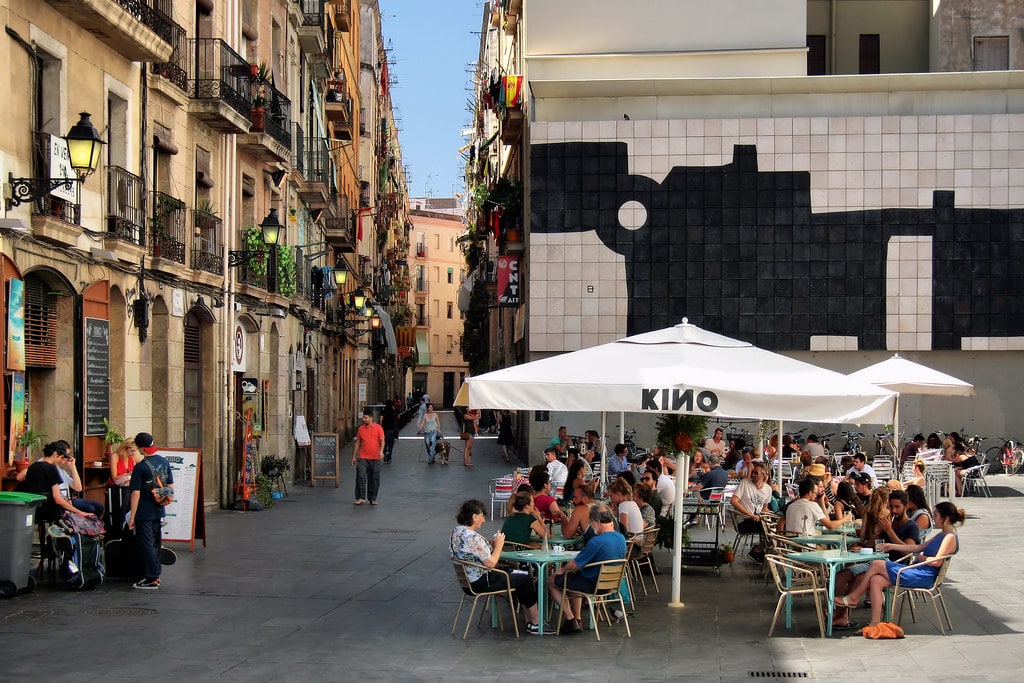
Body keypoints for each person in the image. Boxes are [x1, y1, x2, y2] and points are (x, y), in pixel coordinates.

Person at [835, 501, 963, 633]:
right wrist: (892, 546)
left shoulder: (950, 537)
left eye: (936, 515)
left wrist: (922, 558)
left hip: (924, 576)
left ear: (946, 518)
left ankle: (853, 597)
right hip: (918, 571)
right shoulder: (941, 534)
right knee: (875, 580)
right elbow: (917, 547)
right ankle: (874, 623)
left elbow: (936, 562)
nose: (933, 518)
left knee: (876, 564)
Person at [450, 499, 543, 635]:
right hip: (482, 581)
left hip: (468, 581)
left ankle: (530, 620)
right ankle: (536, 622)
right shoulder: (472, 537)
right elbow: (491, 563)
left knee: (517, 575)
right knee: (525, 578)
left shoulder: (456, 532)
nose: (484, 520)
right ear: (474, 516)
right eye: (482, 516)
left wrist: (491, 547)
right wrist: (499, 545)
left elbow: (475, 553)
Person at [832, 489, 921, 629]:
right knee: (842, 575)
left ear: (906, 506)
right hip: (875, 561)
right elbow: (869, 546)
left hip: (894, 566)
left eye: (897, 507)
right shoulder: (888, 522)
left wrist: (890, 532)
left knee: (860, 578)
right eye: (891, 506)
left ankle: (841, 615)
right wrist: (876, 534)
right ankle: (840, 616)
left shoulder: (911, 527)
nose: (893, 510)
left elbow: (907, 551)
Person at [548, 504, 627, 635]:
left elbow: (574, 564)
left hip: (593, 584)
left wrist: (561, 570)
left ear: (598, 522)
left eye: (591, 523)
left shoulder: (596, 541)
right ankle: (577, 619)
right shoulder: (621, 538)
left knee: (551, 581)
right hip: (612, 584)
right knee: (573, 579)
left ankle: (570, 619)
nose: (591, 526)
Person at [128, 432, 173, 590]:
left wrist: (132, 517)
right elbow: (171, 486)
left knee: (146, 543)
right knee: (155, 542)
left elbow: (135, 493)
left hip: (144, 511)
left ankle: (151, 577)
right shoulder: (164, 462)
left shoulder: (140, 467)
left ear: (141, 448)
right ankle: (155, 574)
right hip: (158, 509)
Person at [16, 441, 96, 524]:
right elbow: (57, 499)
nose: (63, 461)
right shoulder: (51, 469)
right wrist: (80, 512)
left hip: (32, 509)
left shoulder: (33, 466)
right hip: (48, 511)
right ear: (55, 454)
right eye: (61, 458)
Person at [729, 461, 774, 564]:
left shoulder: (768, 489)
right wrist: (750, 514)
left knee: (776, 528)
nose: (752, 474)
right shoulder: (745, 483)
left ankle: (759, 549)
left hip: (758, 521)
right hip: (744, 521)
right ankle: (758, 551)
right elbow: (733, 501)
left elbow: (764, 508)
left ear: (763, 475)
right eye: (753, 472)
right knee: (770, 530)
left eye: (755, 473)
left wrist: (772, 515)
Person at [782, 477, 852, 536]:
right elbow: (830, 526)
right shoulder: (812, 505)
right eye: (815, 493)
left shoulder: (790, 506)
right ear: (810, 493)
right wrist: (845, 519)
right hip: (806, 545)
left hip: (790, 544)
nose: (816, 495)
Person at [352, 410, 385, 505]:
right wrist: (354, 456)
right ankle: (360, 497)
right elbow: (358, 442)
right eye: (363, 417)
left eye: (365, 417)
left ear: (371, 418)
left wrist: (381, 451)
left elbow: (382, 440)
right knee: (360, 476)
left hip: (375, 457)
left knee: (374, 479)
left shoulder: (378, 428)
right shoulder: (361, 429)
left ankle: (372, 498)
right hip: (363, 457)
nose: (363, 419)